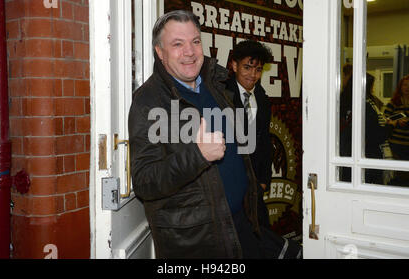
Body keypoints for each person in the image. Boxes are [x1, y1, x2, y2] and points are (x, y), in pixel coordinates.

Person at [128, 10, 300, 258]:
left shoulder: (214, 84)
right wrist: (198, 154)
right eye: (177, 44)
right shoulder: (149, 102)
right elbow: (145, 182)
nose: (190, 51)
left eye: (195, 41)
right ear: (159, 52)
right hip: (200, 242)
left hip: (242, 223)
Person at [224, 40, 273, 228]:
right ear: (234, 65)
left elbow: (265, 143)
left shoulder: (262, 98)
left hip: (256, 187)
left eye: (258, 69)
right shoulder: (222, 95)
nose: (253, 75)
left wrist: (263, 181)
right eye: (247, 67)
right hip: (230, 184)